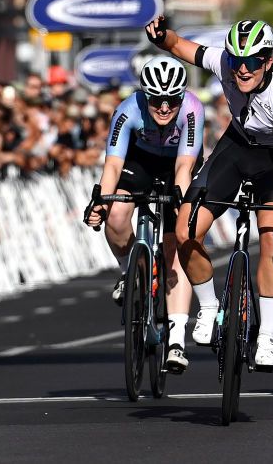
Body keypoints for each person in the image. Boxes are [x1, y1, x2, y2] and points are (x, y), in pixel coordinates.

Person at [145, 16, 273, 372]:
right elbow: (179, 47)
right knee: (184, 230)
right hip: (235, 147)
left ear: (267, 61)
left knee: (271, 236)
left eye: (251, 62)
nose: (242, 70)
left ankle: (267, 335)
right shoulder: (225, 62)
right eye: (236, 61)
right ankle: (208, 306)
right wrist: (161, 35)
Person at [84, 55, 204, 373]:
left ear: (181, 96)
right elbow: (112, 164)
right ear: (145, 96)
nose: (164, 108)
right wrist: (101, 201)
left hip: (178, 164)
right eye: (157, 101)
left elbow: (185, 165)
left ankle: (177, 340)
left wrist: (179, 200)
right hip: (139, 162)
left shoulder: (192, 109)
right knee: (117, 214)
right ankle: (129, 272)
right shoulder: (127, 110)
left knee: (175, 246)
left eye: (171, 101)